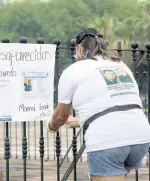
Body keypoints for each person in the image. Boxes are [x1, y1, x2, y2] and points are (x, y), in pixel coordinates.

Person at [46, 28, 150, 181]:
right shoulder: (120, 65)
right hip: (141, 138)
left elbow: (61, 116)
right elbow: (116, 105)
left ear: (79, 47)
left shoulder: (73, 70)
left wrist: (51, 126)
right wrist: (80, 121)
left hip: (108, 141)